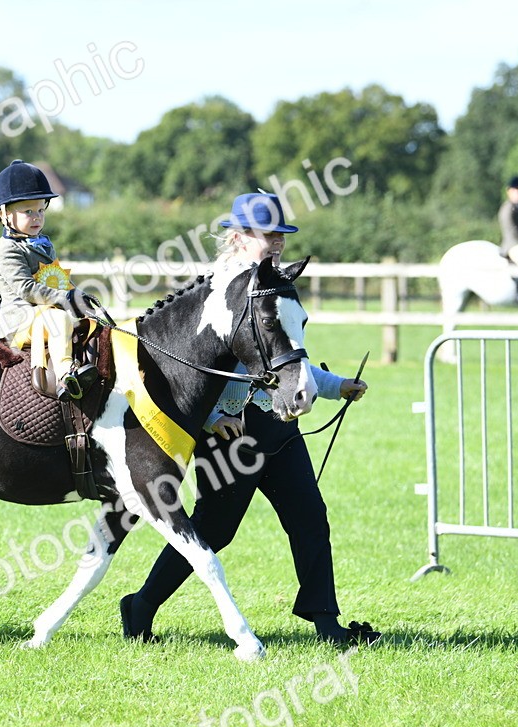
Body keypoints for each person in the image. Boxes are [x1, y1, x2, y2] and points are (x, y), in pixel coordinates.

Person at [119, 192, 381, 647]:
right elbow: (190, 369)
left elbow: (286, 360)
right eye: (268, 235)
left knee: (310, 518)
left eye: (281, 234)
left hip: (278, 428)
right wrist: (215, 416)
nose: (277, 242)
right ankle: (141, 605)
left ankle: (328, 624)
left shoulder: (277, 284)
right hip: (230, 434)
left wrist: (336, 384)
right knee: (215, 529)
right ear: (239, 238)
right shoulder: (214, 292)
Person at [0, 159, 96, 402]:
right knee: (58, 317)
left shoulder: (44, 243)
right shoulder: (8, 250)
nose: (37, 217)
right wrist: (64, 299)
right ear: (5, 214)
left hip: (45, 310)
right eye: (28, 212)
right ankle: (67, 374)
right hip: (21, 317)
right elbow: (26, 289)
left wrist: (78, 295)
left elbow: (57, 280)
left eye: (40, 210)